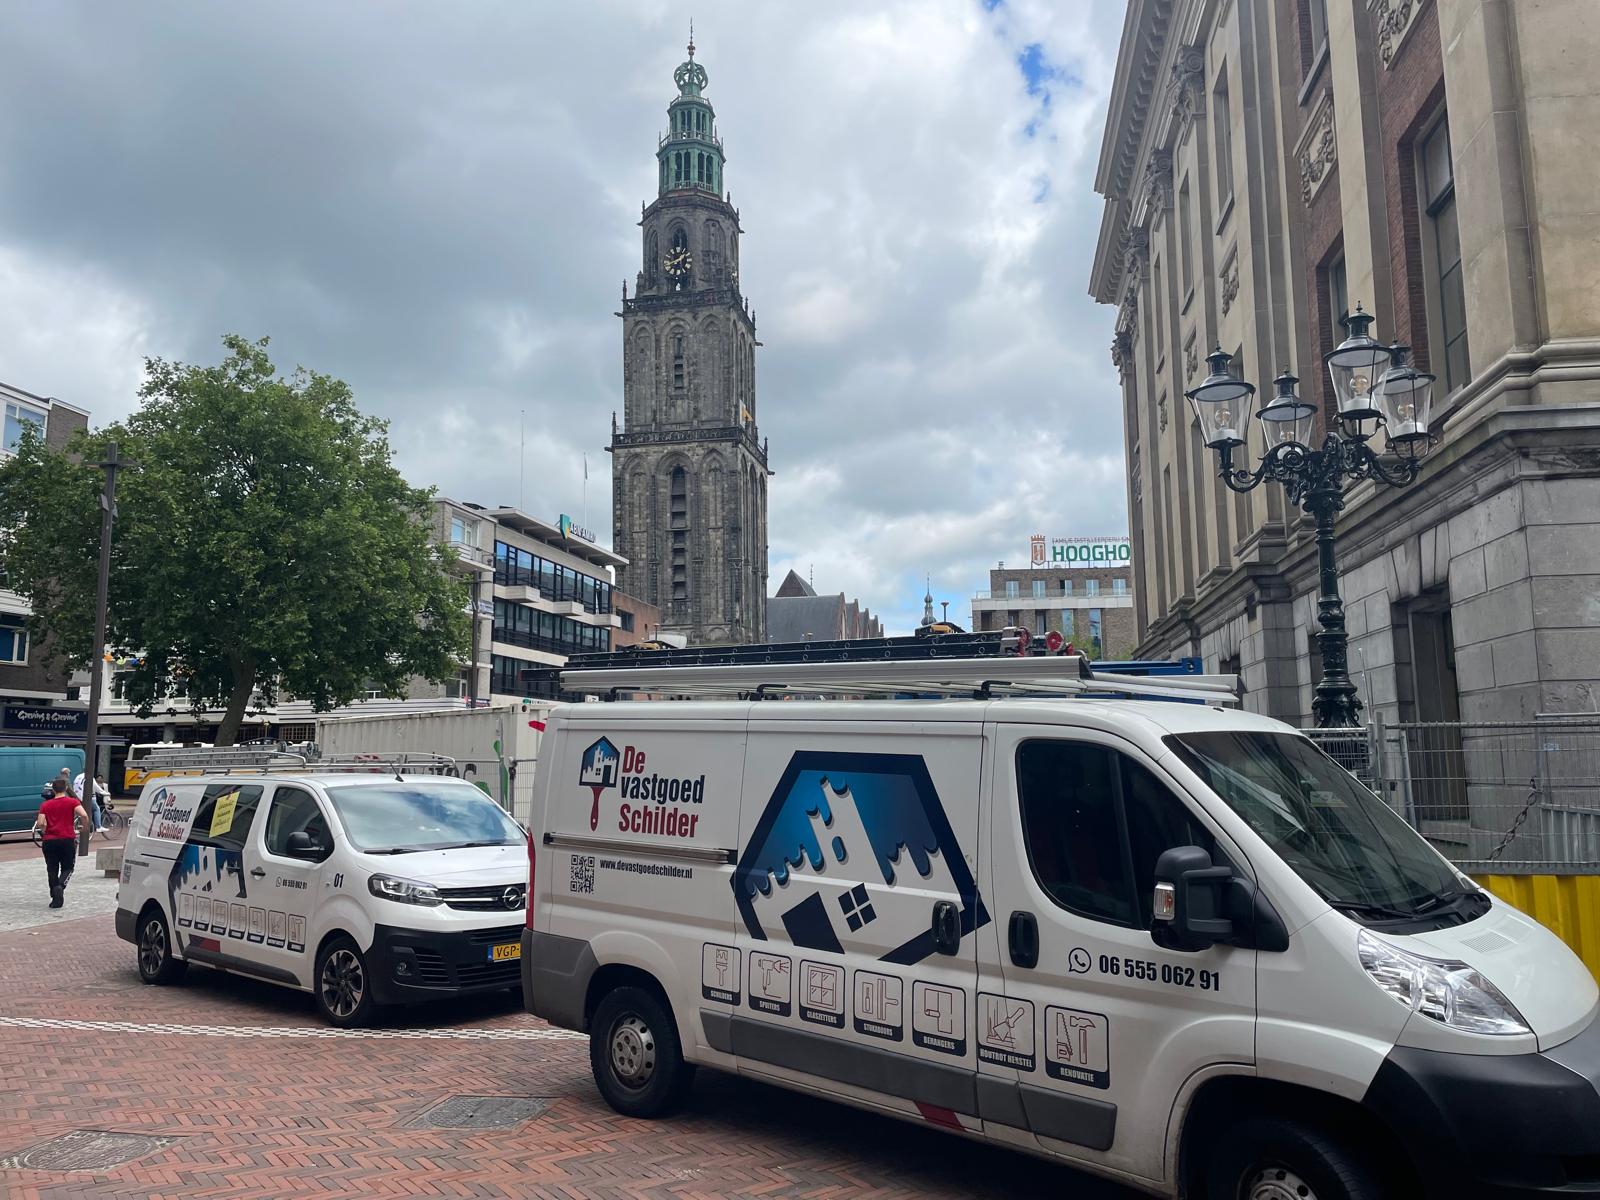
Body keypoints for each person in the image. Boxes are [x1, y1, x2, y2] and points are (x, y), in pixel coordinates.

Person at [33, 778, 90, 909]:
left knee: (52, 868)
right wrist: (84, 827)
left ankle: (55, 897)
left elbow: (41, 822)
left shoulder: (45, 805)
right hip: (67, 838)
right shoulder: (72, 802)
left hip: (49, 840)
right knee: (68, 867)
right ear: (65, 789)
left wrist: (46, 830)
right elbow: (84, 815)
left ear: (53, 789)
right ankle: (61, 885)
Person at [74, 770, 112, 838]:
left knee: (85, 811)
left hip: (79, 797)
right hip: (87, 797)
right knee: (96, 809)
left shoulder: (78, 776)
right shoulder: (90, 777)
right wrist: (106, 793)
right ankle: (98, 827)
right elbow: (98, 789)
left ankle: (86, 824)